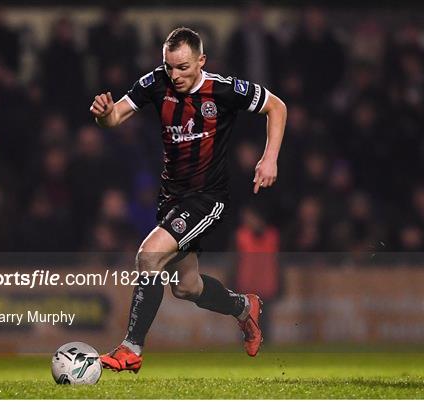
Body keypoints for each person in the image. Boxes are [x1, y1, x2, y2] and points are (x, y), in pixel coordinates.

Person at [89, 27, 286, 373]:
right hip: (172, 198)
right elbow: (115, 117)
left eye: (183, 67)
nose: (175, 75)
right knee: (186, 287)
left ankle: (131, 349)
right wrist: (104, 114)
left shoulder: (224, 89)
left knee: (148, 257)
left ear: (201, 61)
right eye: (169, 67)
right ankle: (244, 308)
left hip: (207, 198)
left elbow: (277, 107)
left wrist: (269, 158)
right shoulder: (155, 83)